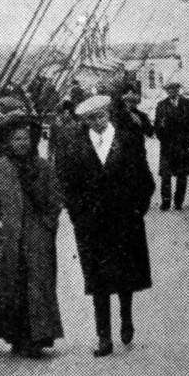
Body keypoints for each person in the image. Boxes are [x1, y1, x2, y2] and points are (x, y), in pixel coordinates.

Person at [55, 95, 154, 357]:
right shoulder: (74, 145)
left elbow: (145, 179)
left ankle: (126, 318)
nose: (97, 122)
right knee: (98, 281)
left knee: (125, 276)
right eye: (90, 119)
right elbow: (66, 185)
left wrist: (137, 209)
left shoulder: (129, 140)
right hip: (92, 225)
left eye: (100, 116)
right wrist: (78, 216)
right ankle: (104, 337)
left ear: (108, 114)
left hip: (125, 220)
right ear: (84, 121)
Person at [0, 115, 64, 358]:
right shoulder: (0, 167)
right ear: (9, 142)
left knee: (38, 286)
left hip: (38, 236)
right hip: (10, 236)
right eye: (17, 139)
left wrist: (47, 226)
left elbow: (55, 201)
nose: (23, 143)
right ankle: (17, 338)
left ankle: (38, 338)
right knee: (12, 285)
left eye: (27, 139)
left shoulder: (44, 167)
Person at [154, 79, 189, 210]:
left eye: (174, 88)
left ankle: (179, 202)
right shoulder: (161, 105)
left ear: (178, 89)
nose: (171, 91)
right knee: (166, 176)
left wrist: (188, 138)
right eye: (169, 89)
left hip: (183, 144)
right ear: (166, 91)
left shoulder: (188, 104)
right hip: (168, 145)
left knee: (182, 175)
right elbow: (157, 125)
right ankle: (166, 202)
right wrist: (162, 138)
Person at [112, 81, 154, 152]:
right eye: (127, 100)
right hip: (122, 152)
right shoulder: (116, 115)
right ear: (123, 101)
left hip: (138, 152)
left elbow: (150, 133)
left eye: (133, 101)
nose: (130, 103)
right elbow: (114, 132)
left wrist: (141, 123)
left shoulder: (141, 115)